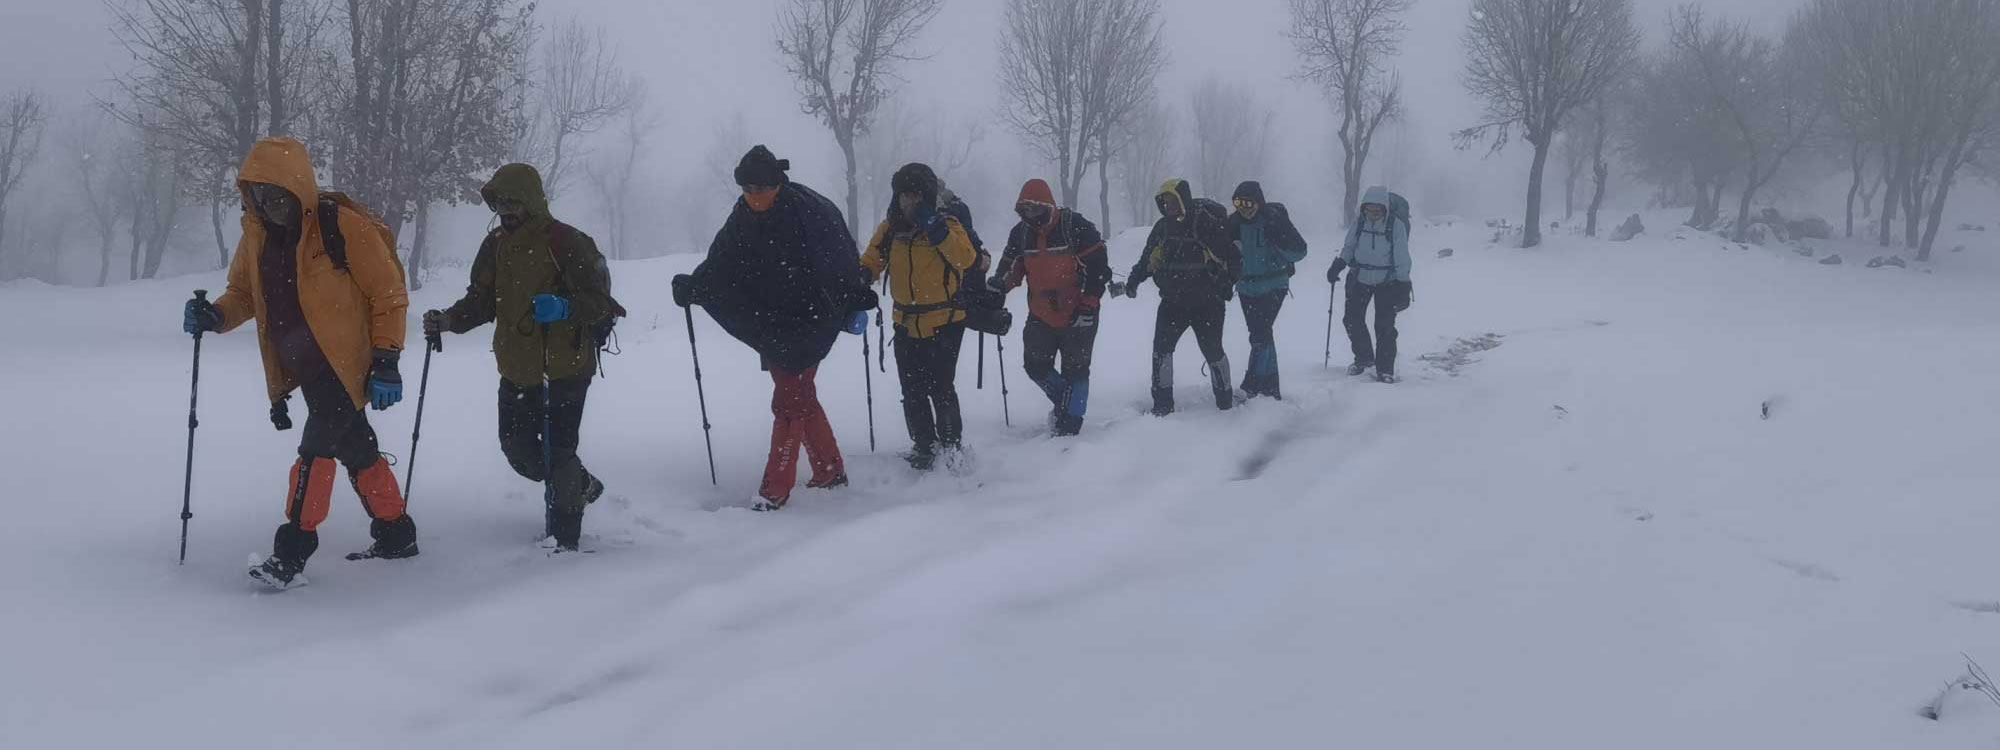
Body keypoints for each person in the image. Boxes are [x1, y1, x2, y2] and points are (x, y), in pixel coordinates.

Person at [183, 136, 414, 589]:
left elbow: (388, 295)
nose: (270, 206)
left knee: (315, 452)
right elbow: (244, 295)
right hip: (304, 367)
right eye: (259, 196)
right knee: (357, 448)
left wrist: (387, 358)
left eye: (277, 195)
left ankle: (291, 552)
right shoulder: (257, 237)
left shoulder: (342, 226)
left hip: (346, 364)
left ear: (298, 189)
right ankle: (396, 534)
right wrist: (215, 316)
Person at [423, 163, 622, 552]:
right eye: (499, 204)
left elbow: (602, 304)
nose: (506, 210)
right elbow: (481, 301)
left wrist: (564, 307)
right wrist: (449, 320)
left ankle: (564, 541)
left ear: (531, 200)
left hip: (564, 367)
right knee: (519, 452)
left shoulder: (566, 241)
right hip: (516, 368)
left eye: (513, 202)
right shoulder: (494, 245)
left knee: (558, 453)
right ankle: (581, 486)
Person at [673, 146, 876, 511]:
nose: (755, 197)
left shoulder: (809, 212)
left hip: (814, 315)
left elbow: (837, 258)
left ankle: (775, 489)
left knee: (789, 400)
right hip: (773, 320)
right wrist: (695, 285)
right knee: (798, 393)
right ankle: (830, 470)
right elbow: (723, 259)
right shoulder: (742, 215)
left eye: (762, 189)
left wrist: (854, 296)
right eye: (749, 190)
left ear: (777, 184)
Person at [862, 162, 980, 470]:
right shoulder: (891, 229)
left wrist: (935, 227)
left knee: (941, 387)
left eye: (915, 196)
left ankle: (952, 446)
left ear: (926, 196)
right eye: (904, 196)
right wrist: (862, 276)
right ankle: (924, 445)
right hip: (905, 322)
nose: (908, 202)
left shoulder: (948, 224)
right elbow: (873, 258)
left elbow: (966, 258)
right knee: (911, 390)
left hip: (946, 321)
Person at [989, 178, 1111, 436]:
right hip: (1040, 313)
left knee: (1076, 370)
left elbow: (1099, 267)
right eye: (1025, 210)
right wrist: (998, 286)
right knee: (1035, 365)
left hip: (1078, 311)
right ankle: (1065, 402)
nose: (1030, 215)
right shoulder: (1020, 233)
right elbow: (1011, 267)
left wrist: (1088, 303)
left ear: (1047, 205)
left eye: (1034, 208)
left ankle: (1072, 425)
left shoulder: (1074, 226)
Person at [1124, 178, 1242, 416]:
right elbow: (1147, 258)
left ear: (1183, 200)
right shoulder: (1162, 228)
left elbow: (1232, 258)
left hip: (1208, 303)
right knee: (1162, 351)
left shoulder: (1206, 224)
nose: (1168, 207)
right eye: (1164, 202)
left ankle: (1225, 402)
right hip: (1173, 301)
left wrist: (1226, 283)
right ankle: (1162, 405)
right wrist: (1134, 280)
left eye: (1172, 201)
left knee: (1212, 350)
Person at [1227, 181, 1308, 400]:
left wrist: (1278, 239)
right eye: (1238, 202)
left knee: (1259, 334)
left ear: (1259, 202)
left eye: (1248, 202)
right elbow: (1226, 257)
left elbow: (1300, 252)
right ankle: (1271, 388)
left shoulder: (1273, 220)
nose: (1244, 207)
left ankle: (1252, 385)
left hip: (1274, 285)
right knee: (1262, 336)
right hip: (1246, 288)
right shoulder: (1233, 223)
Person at [1331, 185, 1413, 383]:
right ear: (1364, 208)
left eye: (1377, 210)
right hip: (1359, 278)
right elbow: (1350, 246)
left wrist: (1404, 284)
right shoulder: (1359, 222)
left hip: (1388, 281)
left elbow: (1402, 256)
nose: (1373, 214)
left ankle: (1385, 369)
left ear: (1385, 208)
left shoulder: (1395, 226)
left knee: (1384, 326)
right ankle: (1364, 358)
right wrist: (1339, 264)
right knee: (1351, 319)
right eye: (1369, 210)